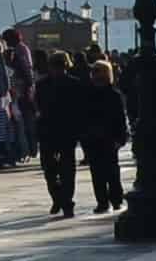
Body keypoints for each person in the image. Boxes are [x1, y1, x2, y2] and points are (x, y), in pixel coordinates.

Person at [32, 50, 83, 219]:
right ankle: (58, 197)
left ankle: (66, 201)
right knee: (50, 169)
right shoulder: (42, 85)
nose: (57, 70)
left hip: (65, 130)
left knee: (66, 168)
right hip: (50, 130)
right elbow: (38, 106)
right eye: (55, 67)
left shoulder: (74, 84)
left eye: (60, 67)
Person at [80, 55, 129, 214]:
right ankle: (103, 201)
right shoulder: (89, 94)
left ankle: (114, 199)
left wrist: (120, 138)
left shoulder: (113, 95)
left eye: (99, 72)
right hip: (94, 137)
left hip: (108, 137)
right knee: (98, 172)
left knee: (111, 171)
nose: (96, 75)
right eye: (94, 72)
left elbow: (120, 118)